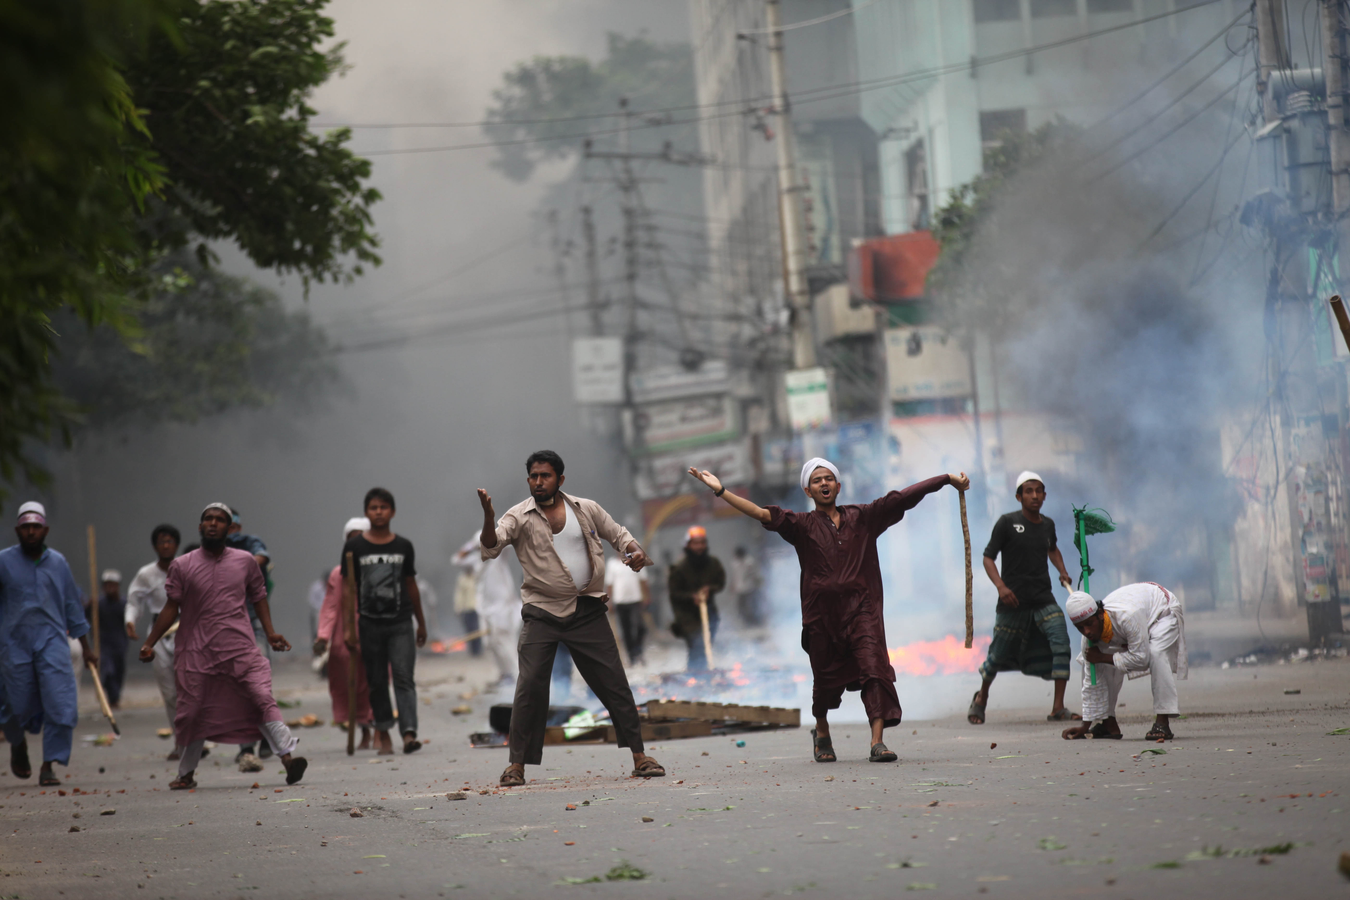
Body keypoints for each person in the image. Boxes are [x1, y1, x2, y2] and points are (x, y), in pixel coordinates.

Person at [689, 458, 969, 764]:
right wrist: (721, 491)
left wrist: (944, 479)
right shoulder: (800, 525)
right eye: (817, 480)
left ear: (838, 485)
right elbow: (759, 513)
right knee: (824, 682)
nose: (824, 484)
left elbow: (901, 498)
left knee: (873, 668)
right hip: (821, 618)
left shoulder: (863, 517)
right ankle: (821, 731)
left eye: (828, 479)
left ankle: (877, 741)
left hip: (862, 610)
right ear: (808, 491)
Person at [478, 450, 665, 786]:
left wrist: (634, 550)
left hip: (586, 609)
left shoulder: (586, 509)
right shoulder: (517, 516)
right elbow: (492, 546)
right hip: (542, 612)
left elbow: (619, 534)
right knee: (530, 685)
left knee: (614, 682)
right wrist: (488, 518)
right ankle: (516, 765)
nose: (538, 482)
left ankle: (640, 756)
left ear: (560, 480)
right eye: (533, 476)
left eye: (545, 476)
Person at [139, 503, 307, 789]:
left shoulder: (245, 562)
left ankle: (288, 759)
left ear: (230, 529)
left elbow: (259, 597)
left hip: (239, 647)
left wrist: (270, 633)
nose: (213, 524)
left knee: (260, 696)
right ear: (201, 527)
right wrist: (150, 642)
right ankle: (186, 773)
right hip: (196, 651)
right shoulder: (183, 565)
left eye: (220, 520)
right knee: (192, 711)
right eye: (208, 519)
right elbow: (171, 607)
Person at [967, 471, 1078, 726]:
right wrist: (1001, 587)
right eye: (1028, 491)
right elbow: (988, 558)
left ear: (1044, 496)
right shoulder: (1007, 523)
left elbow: (1052, 549)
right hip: (1012, 602)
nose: (1034, 496)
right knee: (997, 653)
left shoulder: (1048, 525)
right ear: (1019, 496)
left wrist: (1062, 571)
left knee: (1061, 642)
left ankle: (1058, 707)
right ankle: (981, 698)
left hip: (1043, 599)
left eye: (1039, 491)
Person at [0, 502, 97, 785]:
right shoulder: (3, 561)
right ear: (18, 530)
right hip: (13, 644)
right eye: (26, 527)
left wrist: (87, 648)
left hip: (53, 642)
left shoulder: (58, 562)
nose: (31, 532)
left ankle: (48, 765)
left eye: (36, 527)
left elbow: (72, 606)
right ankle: (18, 744)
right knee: (12, 704)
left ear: (45, 530)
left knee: (61, 702)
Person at [341, 488, 427, 756]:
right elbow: (348, 589)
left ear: (392, 511)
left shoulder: (403, 546)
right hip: (369, 623)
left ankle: (409, 733)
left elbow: (411, 584)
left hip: (401, 622)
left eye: (384, 507)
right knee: (377, 681)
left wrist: (420, 622)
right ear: (367, 513)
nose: (379, 512)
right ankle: (385, 734)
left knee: (403, 677)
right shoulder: (354, 547)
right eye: (373, 508)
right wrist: (348, 627)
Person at [1061, 584, 1188, 742]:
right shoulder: (1088, 639)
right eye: (1080, 628)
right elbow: (1091, 681)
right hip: (1138, 614)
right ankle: (1108, 723)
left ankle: (1162, 723)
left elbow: (1142, 658)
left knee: (1156, 653)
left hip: (1161, 611)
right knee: (1095, 663)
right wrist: (1085, 726)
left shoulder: (1127, 617)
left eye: (1089, 624)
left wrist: (1103, 657)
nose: (1086, 632)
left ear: (1100, 614)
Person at [126, 524, 184, 760]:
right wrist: (130, 620)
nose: (166, 545)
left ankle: (196, 737)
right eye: (162, 541)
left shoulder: (187, 567)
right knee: (170, 693)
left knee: (190, 687)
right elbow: (133, 599)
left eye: (170, 541)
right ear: (155, 546)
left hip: (186, 630)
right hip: (158, 634)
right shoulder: (146, 574)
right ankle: (181, 742)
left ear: (177, 545)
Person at [314, 517, 373, 749]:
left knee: (373, 681)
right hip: (345, 635)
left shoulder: (377, 568)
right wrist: (323, 636)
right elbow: (330, 606)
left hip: (374, 631)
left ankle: (374, 727)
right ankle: (361, 726)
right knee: (350, 684)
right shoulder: (338, 574)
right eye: (352, 538)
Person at [225, 507, 274, 770]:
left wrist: (234, 566)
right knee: (237, 688)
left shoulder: (249, 544)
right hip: (223, 628)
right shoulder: (207, 552)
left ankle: (266, 738)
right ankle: (246, 745)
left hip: (252, 623)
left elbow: (261, 558)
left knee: (259, 682)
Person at [454, 534, 522, 685]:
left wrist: (492, 540)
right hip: (485, 609)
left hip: (504, 608)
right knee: (491, 643)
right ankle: (505, 675)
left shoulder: (498, 558)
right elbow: (457, 560)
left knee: (506, 642)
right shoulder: (476, 560)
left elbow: (508, 546)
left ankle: (517, 676)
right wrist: (470, 546)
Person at [668, 526, 725, 672]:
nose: (699, 547)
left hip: (709, 612)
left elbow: (720, 583)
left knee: (706, 644)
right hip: (687, 616)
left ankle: (701, 673)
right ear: (688, 545)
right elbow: (674, 593)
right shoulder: (678, 568)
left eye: (702, 543)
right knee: (697, 644)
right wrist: (691, 597)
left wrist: (709, 589)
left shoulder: (713, 563)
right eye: (695, 543)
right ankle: (695, 675)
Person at [605, 548, 650, 666]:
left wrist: (647, 596)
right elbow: (609, 584)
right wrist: (609, 602)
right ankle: (632, 656)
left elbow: (643, 581)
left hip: (635, 600)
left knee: (641, 627)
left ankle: (638, 650)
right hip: (620, 601)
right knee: (626, 631)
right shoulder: (612, 564)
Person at [90, 570, 127, 708]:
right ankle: (111, 695)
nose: (110, 588)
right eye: (107, 585)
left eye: (113, 585)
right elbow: (86, 617)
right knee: (108, 670)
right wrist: (89, 607)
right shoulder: (97, 604)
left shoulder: (123, 604)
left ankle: (114, 698)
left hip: (119, 643)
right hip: (103, 643)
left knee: (118, 671)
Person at [728, 545, 764, 627]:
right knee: (741, 608)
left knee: (751, 606)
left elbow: (755, 574)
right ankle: (746, 623)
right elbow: (735, 575)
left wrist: (758, 581)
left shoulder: (749, 562)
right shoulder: (735, 562)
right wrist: (732, 585)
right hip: (740, 589)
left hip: (749, 588)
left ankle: (755, 622)